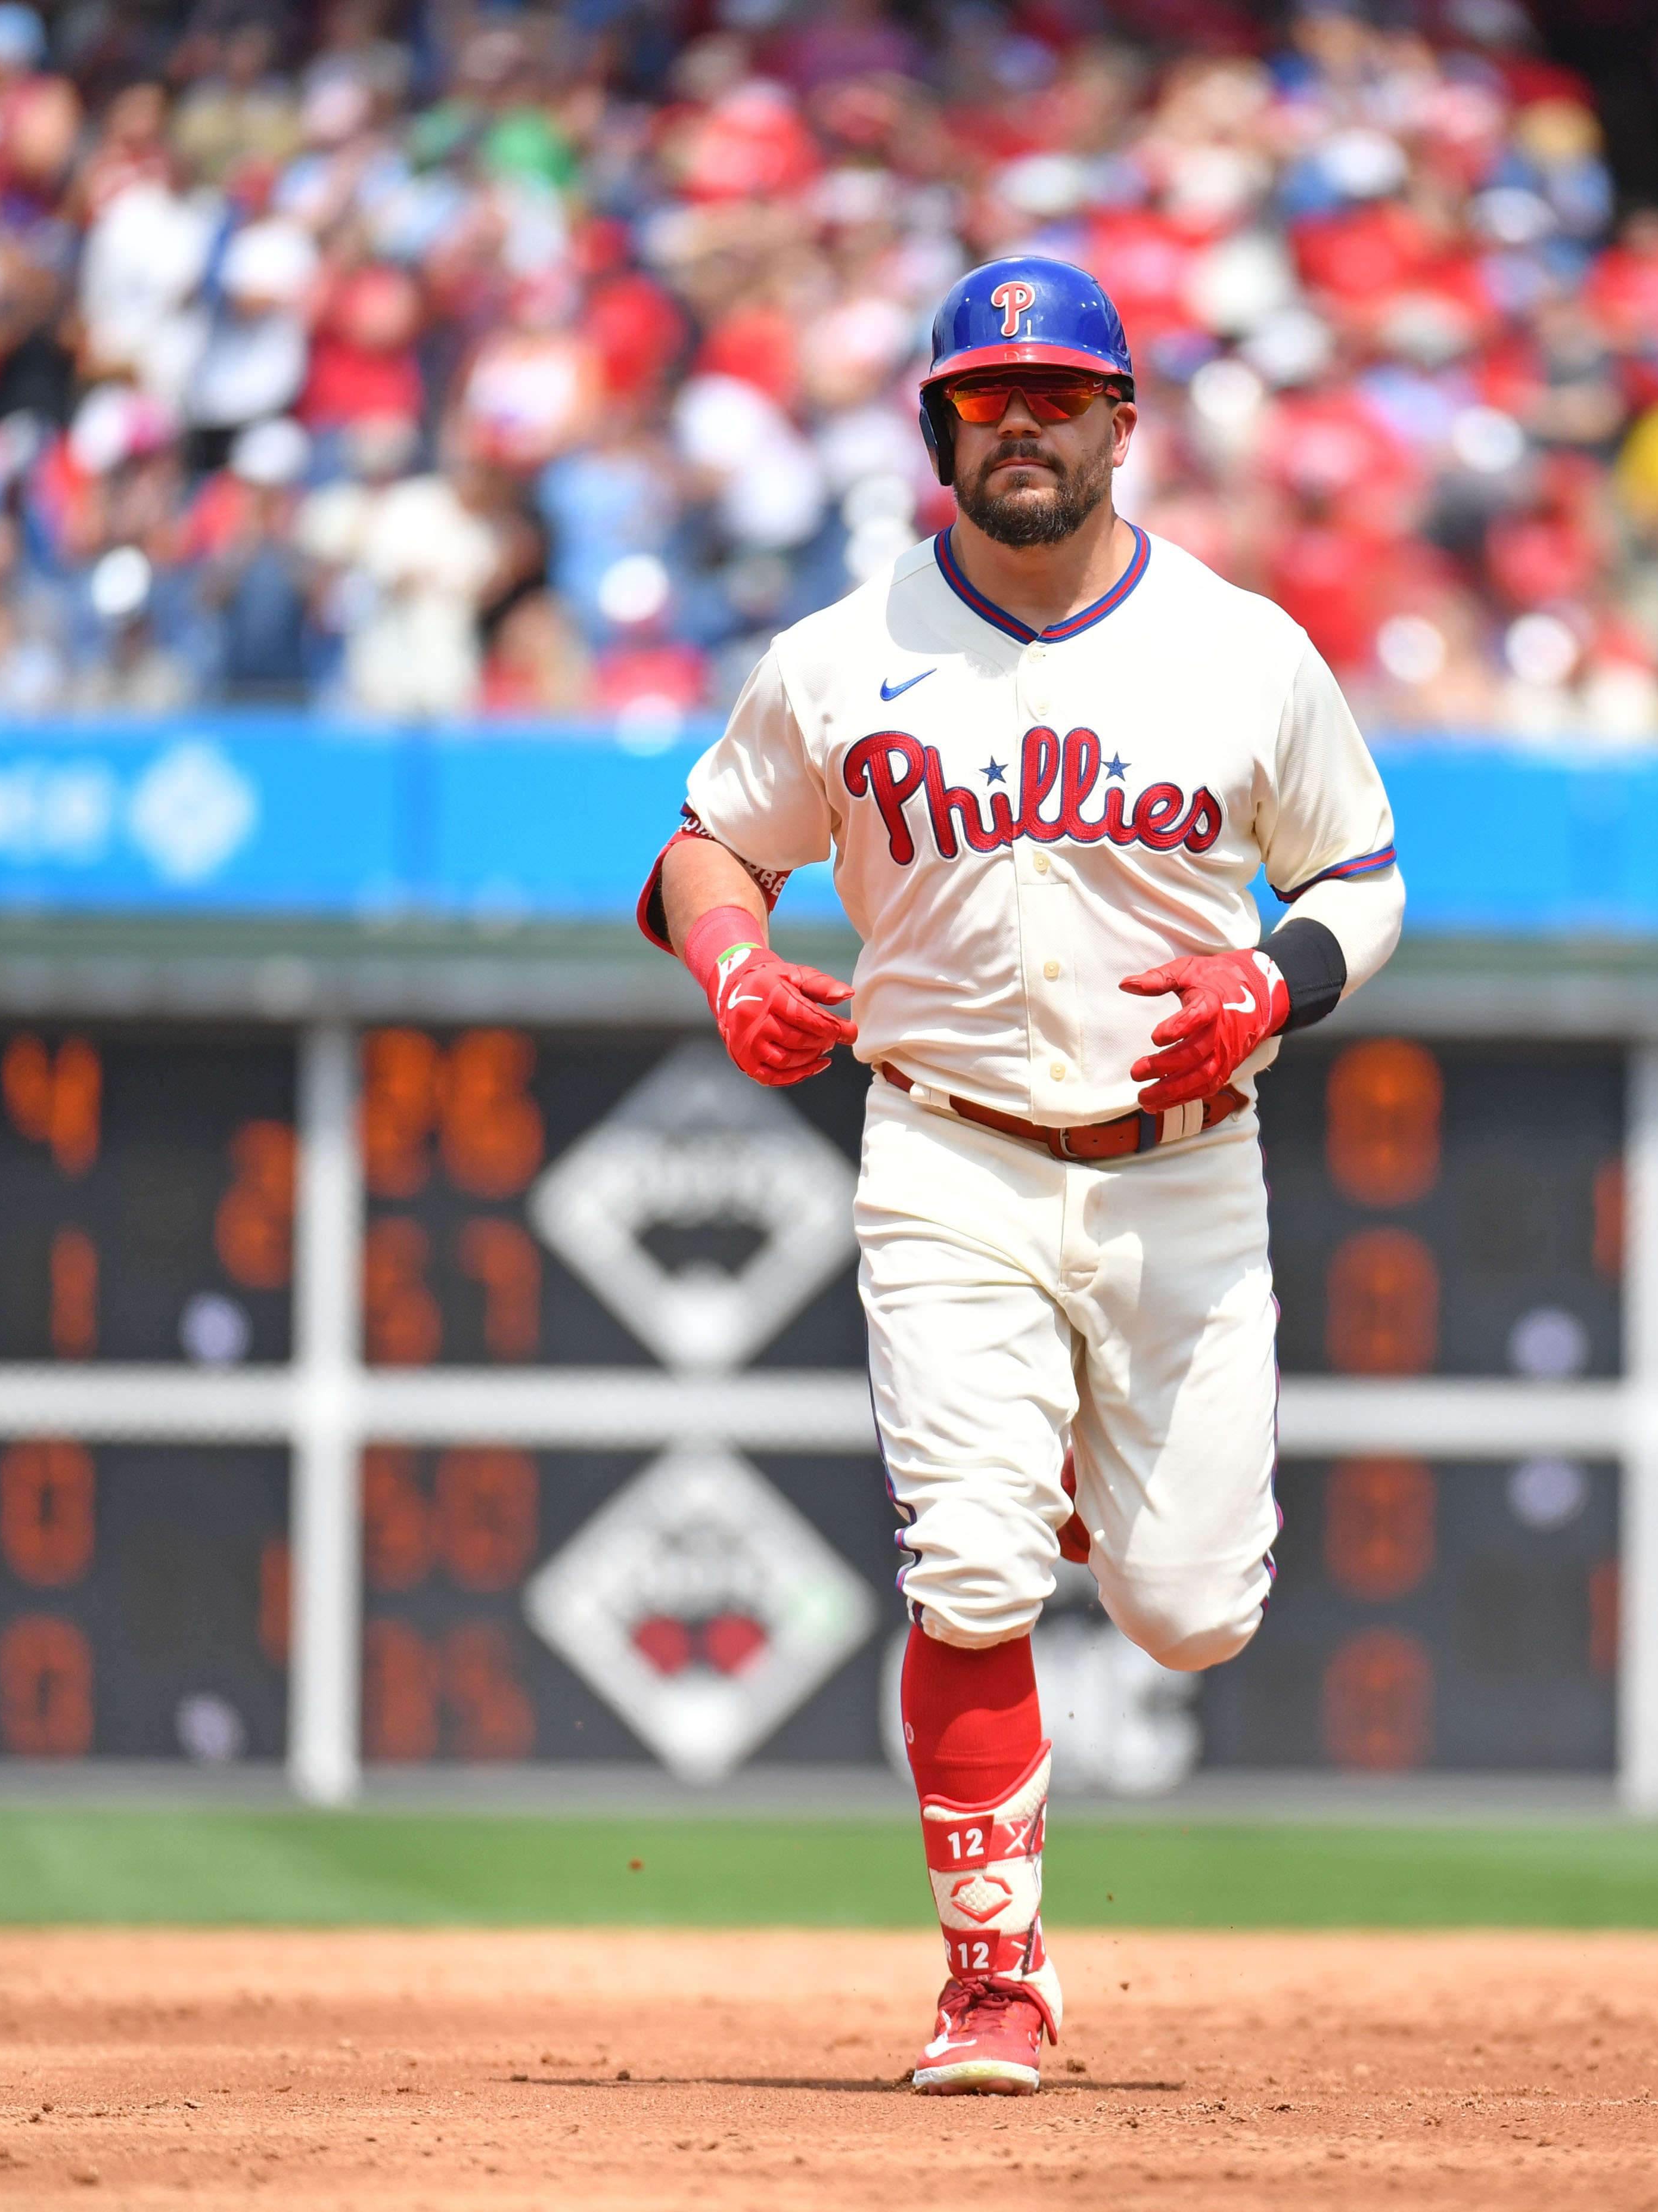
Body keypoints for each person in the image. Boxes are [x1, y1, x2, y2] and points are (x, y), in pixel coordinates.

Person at [638, 256, 1402, 2095]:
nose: (1029, 421)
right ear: (939, 430)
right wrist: (734, 966)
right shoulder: (837, 654)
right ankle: (997, 1979)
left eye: (1065, 393)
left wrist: (1267, 979)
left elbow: (1361, 882)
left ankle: (1062, 1463)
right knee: (970, 1573)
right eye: (991, 395)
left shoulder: (1244, 648)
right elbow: (702, 849)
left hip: (1184, 1171)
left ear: (1126, 424)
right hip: (949, 1155)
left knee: (1195, 1613)